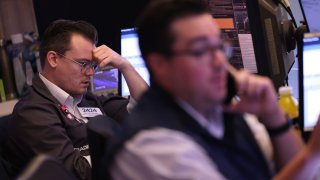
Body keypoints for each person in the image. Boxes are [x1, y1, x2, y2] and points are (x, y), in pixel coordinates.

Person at [107, 0, 320, 179]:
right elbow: (303, 166)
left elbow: (295, 170)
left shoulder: (221, 112)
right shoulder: (153, 145)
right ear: (160, 64)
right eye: (201, 51)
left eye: (219, 47)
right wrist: (313, 154)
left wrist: (274, 117)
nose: (219, 61)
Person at [3, 19, 147, 179]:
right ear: (53, 59)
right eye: (83, 63)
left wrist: (124, 65)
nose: (91, 73)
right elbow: (78, 174)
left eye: (92, 65)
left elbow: (146, 112)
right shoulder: (31, 113)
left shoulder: (86, 98)